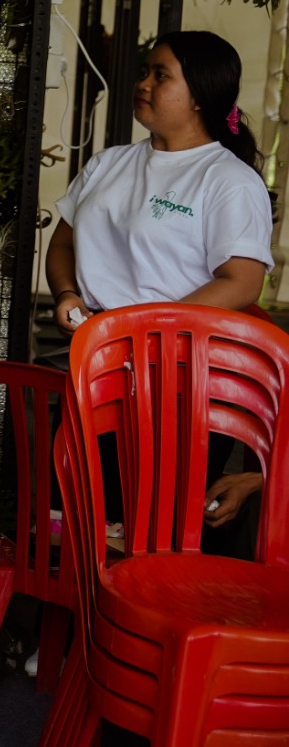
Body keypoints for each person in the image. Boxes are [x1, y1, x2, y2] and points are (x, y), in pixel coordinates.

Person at [44, 29, 271, 555]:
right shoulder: (110, 163)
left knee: (141, 537)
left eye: (160, 75)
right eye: (145, 71)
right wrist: (65, 294)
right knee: (71, 525)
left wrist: (141, 324)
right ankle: (56, 637)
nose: (142, 83)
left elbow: (242, 280)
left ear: (200, 94)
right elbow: (63, 244)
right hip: (94, 359)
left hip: (176, 381)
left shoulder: (228, 181)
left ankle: (126, 637)